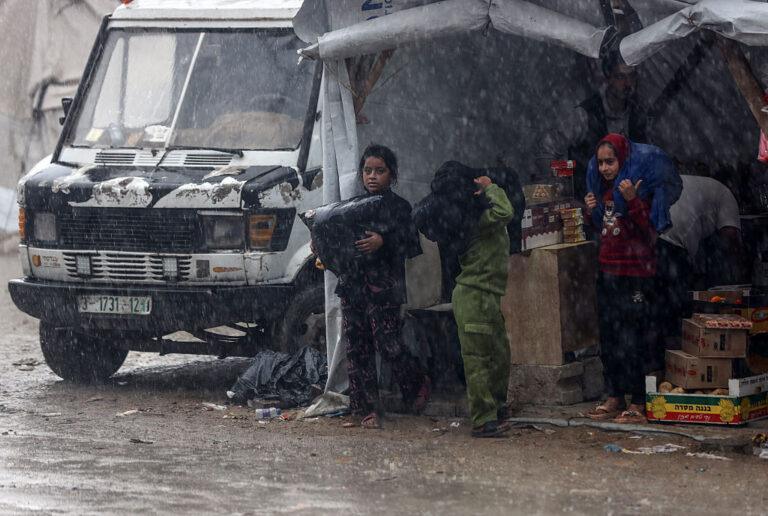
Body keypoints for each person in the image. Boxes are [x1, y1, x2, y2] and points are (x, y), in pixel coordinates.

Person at [584, 134, 679, 424]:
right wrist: (591, 211)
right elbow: (604, 229)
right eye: (601, 163)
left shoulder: (639, 188)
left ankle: (639, 401)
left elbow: (650, 232)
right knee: (610, 337)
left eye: (610, 162)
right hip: (608, 272)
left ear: (623, 160)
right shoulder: (604, 192)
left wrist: (633, 201)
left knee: (636, 338)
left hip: (636, 274)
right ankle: (615, 396)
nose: (604, 168)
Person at [334, 144, 430, 429]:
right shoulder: (351, 208)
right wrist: (322, 244)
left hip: (384, 287)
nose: (372, 176)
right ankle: (365, 409)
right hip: (353, 285)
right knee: (356, 347)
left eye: (379, 171)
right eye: (367, 171)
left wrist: (383, 241)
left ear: (392, 175)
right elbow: (339, 241)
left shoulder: (399, 208)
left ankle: (417, 383)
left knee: (388, 344)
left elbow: (411, 244)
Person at [450, 172, 515, 437]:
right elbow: (505, 211)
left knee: (500, 356)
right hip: (473, 295)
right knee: (477, 360)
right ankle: (483, 418)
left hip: (487, 296)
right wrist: (491, 187)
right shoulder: (477, 220)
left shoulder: (483, 219)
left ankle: (496, 408)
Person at [536, 52, 648, 200]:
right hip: (588, 203)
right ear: (608, 78)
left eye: (631, 76)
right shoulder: (585, 115)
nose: (627, 84)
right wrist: (561, 187)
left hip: (623, 205)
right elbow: (547, 148)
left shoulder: (637, 115)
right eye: (620, 77)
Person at [656, 175, 743, 347]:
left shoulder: (699, 185)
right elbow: (730, 235)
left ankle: (659, 349)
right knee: (675, 305)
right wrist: (738, 273)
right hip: (672, 240)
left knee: (657, 301)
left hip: (649, 232)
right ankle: (675, 347)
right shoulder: (727, 196)